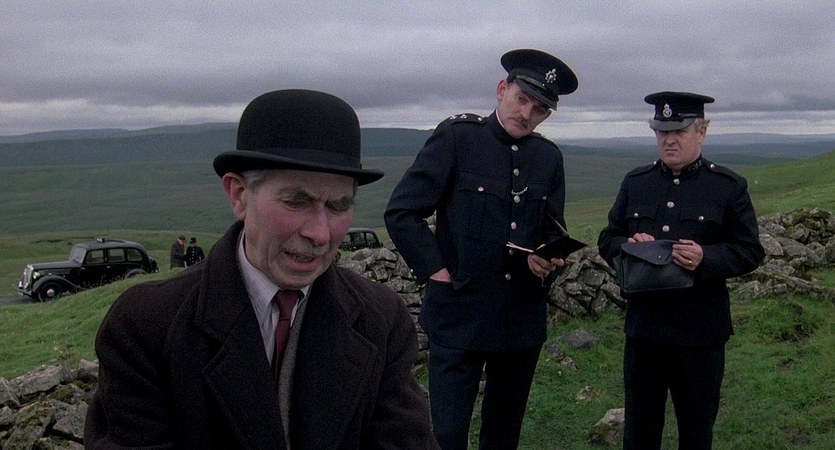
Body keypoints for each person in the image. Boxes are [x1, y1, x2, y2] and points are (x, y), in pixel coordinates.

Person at [85, 89, 438, 449]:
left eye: (338, 206)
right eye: (296, 201)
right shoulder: (146, 327)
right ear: (239, 194)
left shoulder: (381, 320)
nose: (320, 233)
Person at [385, 49, 579, 449]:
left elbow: (552, 231)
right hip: (459, 314)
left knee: (503, 436)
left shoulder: (548, 158)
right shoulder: (458, 138)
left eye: (540, 109)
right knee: (447, 435)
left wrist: (548, 260)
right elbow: (402, 212)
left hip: (520, 322)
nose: (526, 114)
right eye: (522, 99)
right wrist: (437, 273)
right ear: (502, 89)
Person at [597, 91, 765, 449]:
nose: (669, 140)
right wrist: (630, 247)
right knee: (640, 433)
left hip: (700, 334)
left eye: (679, 131)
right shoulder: (636, 182)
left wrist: (706, 258)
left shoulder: (727, 187)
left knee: (696, 432)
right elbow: (608, 238)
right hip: (645, 333)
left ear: (701, 132)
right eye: (662, 132)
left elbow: (750, 251)